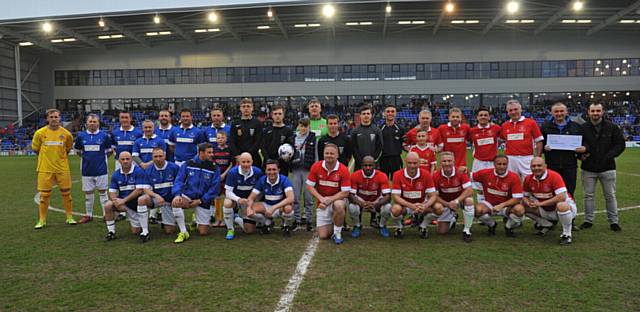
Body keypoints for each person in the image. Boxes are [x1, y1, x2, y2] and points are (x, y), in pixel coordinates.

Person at [579, 103, 626, 231]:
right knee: (588, 195)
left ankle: (614, 222)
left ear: (603, 111)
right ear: (588, 112)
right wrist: (580, 156)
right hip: (588, 168)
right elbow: (578, 144)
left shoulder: (612, 127)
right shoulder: (582, 128)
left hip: (608, 167)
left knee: (610, 195)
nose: (595, 113)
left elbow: (620, 145)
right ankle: (588, 220)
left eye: (598, 111)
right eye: (593, 111)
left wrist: (609, 156)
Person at [32, 108, 76, 228]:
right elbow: (35, 149)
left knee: (66, 193)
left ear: (60, 118)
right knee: (44, 195)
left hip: (62, 168)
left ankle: (69, 217)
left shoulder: (66, 134)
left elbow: (67, 149)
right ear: (47, 119)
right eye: (51, 117)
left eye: (56, 117)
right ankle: (42, 220)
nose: (54, 119)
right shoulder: (39, 133)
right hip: (45, 168)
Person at [171, 143, 220, 242]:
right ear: (201, 153)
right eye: (209, 152)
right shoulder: (188, 164)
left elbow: (214, 189)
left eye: (212, 152)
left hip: (203, 199)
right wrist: (177, 194)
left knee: (203, 232)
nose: (212, 154)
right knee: (176, 203)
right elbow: (179, 180)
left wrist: (201, 200)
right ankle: (184, 232)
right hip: (188, 195)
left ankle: (196, 219)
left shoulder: (214, 168)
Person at [522, 157, 577, 245]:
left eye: (539, 165)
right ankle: (546, 224)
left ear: (545, 166)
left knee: (562, 205)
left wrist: (540, 204)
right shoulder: (528, 179)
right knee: (521, 206)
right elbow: (524, 196)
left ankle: (567, 235)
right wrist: (528, 202)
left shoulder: (554, 176)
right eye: (533, 166)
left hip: (565, 208)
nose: (536, 168)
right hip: (545, 209)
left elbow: (561, 197)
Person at [306, 143, 351, 244]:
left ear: (337, 155)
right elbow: (309, 186)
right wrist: (321, 198)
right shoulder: (316, 166)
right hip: (322, 202)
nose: (329, 155)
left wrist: (329, 200)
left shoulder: (343, 169)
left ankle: (337, 233)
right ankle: (338, 221)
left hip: (336, 200)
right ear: (323, 154)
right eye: (327, 153)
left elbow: (345, 192)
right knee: (323, 235)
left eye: (332, 153)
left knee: (339, 205)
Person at [472, 155, 525, 237]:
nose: (502, 166)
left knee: (520, 210)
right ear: (494, 164)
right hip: (489, 204)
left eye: (504, 164)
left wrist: (502, 205)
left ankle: (508, 227)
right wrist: (463, 170)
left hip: (507, 206)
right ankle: (492, 224)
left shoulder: (514, 177)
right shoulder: (485, 173)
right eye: (499, 164)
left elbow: (517, 199)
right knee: (477, 210)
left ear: (507, 164)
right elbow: (468, 177)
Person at [390, 152, 439, 239]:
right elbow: (395, 197)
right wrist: (411, 206)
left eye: (415, 163)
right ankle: (399, 227)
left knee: (439, 208)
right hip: (406, 205)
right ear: (405, 162)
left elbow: (433, 196)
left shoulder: (426, 174)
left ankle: (423, 226)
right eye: (409, 163)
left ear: (419, 163)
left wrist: (425, 206)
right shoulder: (397, 174)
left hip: (421, 205)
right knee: (395, 209)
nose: (412, 166)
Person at [103, 151, 150, 242]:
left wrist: (123, 201)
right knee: (108, 205)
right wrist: (115, 201)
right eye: (123, 159)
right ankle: (111, 232)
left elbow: (139, 190)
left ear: (131, 160)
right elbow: (112, 191)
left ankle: (144, 229)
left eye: (127, 159)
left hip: (136, 204)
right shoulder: (116, 174)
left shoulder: (138, 171)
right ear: (119, 161)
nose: (125, 161)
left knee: (136, 231)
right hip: (124, 204)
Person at [74, 114, 113, 224]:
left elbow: (109, 151)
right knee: (88, 193)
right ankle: (88, 214)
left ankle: (106, 214)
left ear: (98, 123)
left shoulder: (104, 136)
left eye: (94, 121)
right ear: (86, 123)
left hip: (101, 169)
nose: (92, 123)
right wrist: (87, 158)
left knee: (103, 192)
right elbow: (77, 151)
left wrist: (100, 159)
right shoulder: (81, 136)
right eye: (90, 121)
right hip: (86, 170)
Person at [541, 102, 584, 198]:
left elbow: (584, 143)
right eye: (556, 111)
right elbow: (540, 144)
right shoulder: (545, 127)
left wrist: (583, 149)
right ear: (551, 113)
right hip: (552, 166)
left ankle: (569, 212)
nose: (559, 113)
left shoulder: (576, 126)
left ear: (566, 112)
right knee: (552, 192)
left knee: (569, 192)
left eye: (561, 111)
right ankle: (552, 212)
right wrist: (544, 148)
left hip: (570, 166)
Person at [432, 152, 475, 242]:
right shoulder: (435, 175)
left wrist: (456, 201)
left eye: (449, 161)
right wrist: (447, 204)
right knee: (442, 231)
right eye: (444, 161)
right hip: (446, 203)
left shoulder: (460, 172)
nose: (447, 163)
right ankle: (453, 218)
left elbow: (470, 190)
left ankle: (466, 230)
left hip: (459, 201)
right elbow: (434, 196)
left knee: (469, 200)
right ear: (440, 162)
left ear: (454, 162)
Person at [246, 159, 296, 237]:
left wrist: (273, 208)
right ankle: (267, 223)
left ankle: (286, 226)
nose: (271, 172)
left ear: (278, 170)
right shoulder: (262, 180)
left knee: (288, 208)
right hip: (267, 205)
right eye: (269, 170)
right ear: (265, 171)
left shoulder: (284, 179)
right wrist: (249, 207)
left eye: (274, 169)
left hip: (279, 207)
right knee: (250, 210)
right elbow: (251, 197)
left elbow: (291, 198)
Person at [139, 148, 180, 236]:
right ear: (152, 157)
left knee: (169, 231)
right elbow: (146, 189)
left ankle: (172, 219)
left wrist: (176, 196)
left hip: (171, 201)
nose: (158, 159)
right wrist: (156, 196)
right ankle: (145, 231)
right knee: (142, 199)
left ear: (165, 156)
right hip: (158, 200)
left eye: (160, 156)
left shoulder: (174, 167)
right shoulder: (148, 170)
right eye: (155, 156)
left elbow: (180, 184)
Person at [223, 152, 264, 240]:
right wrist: (238, 199)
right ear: (239, 162)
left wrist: (252, 202)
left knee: (249, 231)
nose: (246, 164)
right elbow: (228, 192)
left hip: (249, 202)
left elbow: (260, 191)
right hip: (236, 199)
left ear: (252, 162)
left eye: (248, 162)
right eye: (243, 162)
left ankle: (237, 218)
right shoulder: (233, 172)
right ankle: (230, 229)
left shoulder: (258, 172)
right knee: (227, 203)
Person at [348, 156, 392, 238]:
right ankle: (357, 226)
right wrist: (361, 204)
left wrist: (375, 205)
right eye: (365, 165)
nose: (368, 168)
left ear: (375, 166)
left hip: (376, 200)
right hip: (361, 200)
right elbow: (351, 195)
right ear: (361, 166)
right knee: (352, 207)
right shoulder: (354, 175)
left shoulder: (382, 175)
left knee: (387, 207)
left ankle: (382, 225)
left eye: (370, 165)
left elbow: (388, 196)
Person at [500, 99, 543, 177]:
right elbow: (500, 139)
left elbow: (539, 140)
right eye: (510, 110)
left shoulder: (531, 123)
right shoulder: (504, 125)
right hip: (510, 158)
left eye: (515, 109)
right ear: (507, 112)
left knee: (529, 183)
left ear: (521, 109)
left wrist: (538, 157)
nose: (513, 112)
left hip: (527, 158)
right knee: (511, 182)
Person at [290, 118, 317, 231]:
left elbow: (315, 154)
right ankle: (296, 219)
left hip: (308, 170)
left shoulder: (312, 138)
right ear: (298, 126)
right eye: (301, 126)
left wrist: (315, 169)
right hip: (296, 170)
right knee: (295, 196)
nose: (303, 128)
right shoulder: (293, 138)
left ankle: (309, 220)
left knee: (308, 197)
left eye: (306, 126)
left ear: (309, 126)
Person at [229, 98, 264, 168]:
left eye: (248, 106)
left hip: (253, 158)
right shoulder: (235, 123)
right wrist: (237, 155)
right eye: (244, 106)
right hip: (238, 158)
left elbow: (258, 141)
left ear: (252, 108)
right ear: (240, 108)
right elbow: (232, 141)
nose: (246, 108)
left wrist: (248, 155)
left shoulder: (257, 123)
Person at [261, 104, 295, 175]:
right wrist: (268, 160)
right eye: (275, 114)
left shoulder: (288, 131)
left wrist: (281, 159)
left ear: (283, 115)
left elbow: (291, 147)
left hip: (282, 165)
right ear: (272, 115)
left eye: (280, 113)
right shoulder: (266, 131)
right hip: (268, 164)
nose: (277, 116)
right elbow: (263, 147)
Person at [469, 107, 501, 173]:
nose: (483, 117)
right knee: (476, 182)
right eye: (481, 115)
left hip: (492, 162)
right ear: (477, 117)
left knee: (492, 182)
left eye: (485, 115)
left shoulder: (496, 128)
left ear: (489, 117)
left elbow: (503, 138)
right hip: (478, 162)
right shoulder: (472, 131)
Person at [351, 105, 383, 170]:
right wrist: (360, 161)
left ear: (371, 115)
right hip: (359, 164)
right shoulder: (355, 131)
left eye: (368, 113)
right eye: (364, 114)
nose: (366, 115)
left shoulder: (377, 130)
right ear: (360, 115)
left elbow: (380, 146)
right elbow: (354, 148)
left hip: (373, 164)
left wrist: (372, 160)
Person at [212, 131, 233, 227]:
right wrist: (217, 175)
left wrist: (224, 174)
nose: (220, 139)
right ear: (216, 139)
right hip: (217, 177)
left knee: (226, 197)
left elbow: (232, 164)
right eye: (218, 138)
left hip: (226, 177)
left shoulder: (229, 150)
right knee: (217, 198)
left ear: (226, 139)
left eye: (222, 138)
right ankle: (217, 219)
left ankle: (225, 219)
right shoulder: (214, 150)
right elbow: (213, 164)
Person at [379, 104, 405, 178]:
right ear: (384, 113)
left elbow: (404, 144)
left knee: (396, 182)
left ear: (395, 113)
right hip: (383, 159)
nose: (390, 113)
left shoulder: (401, 129)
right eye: (388, 111)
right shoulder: (379, 129)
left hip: (396, 159)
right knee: (383, 181)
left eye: (392, 111)